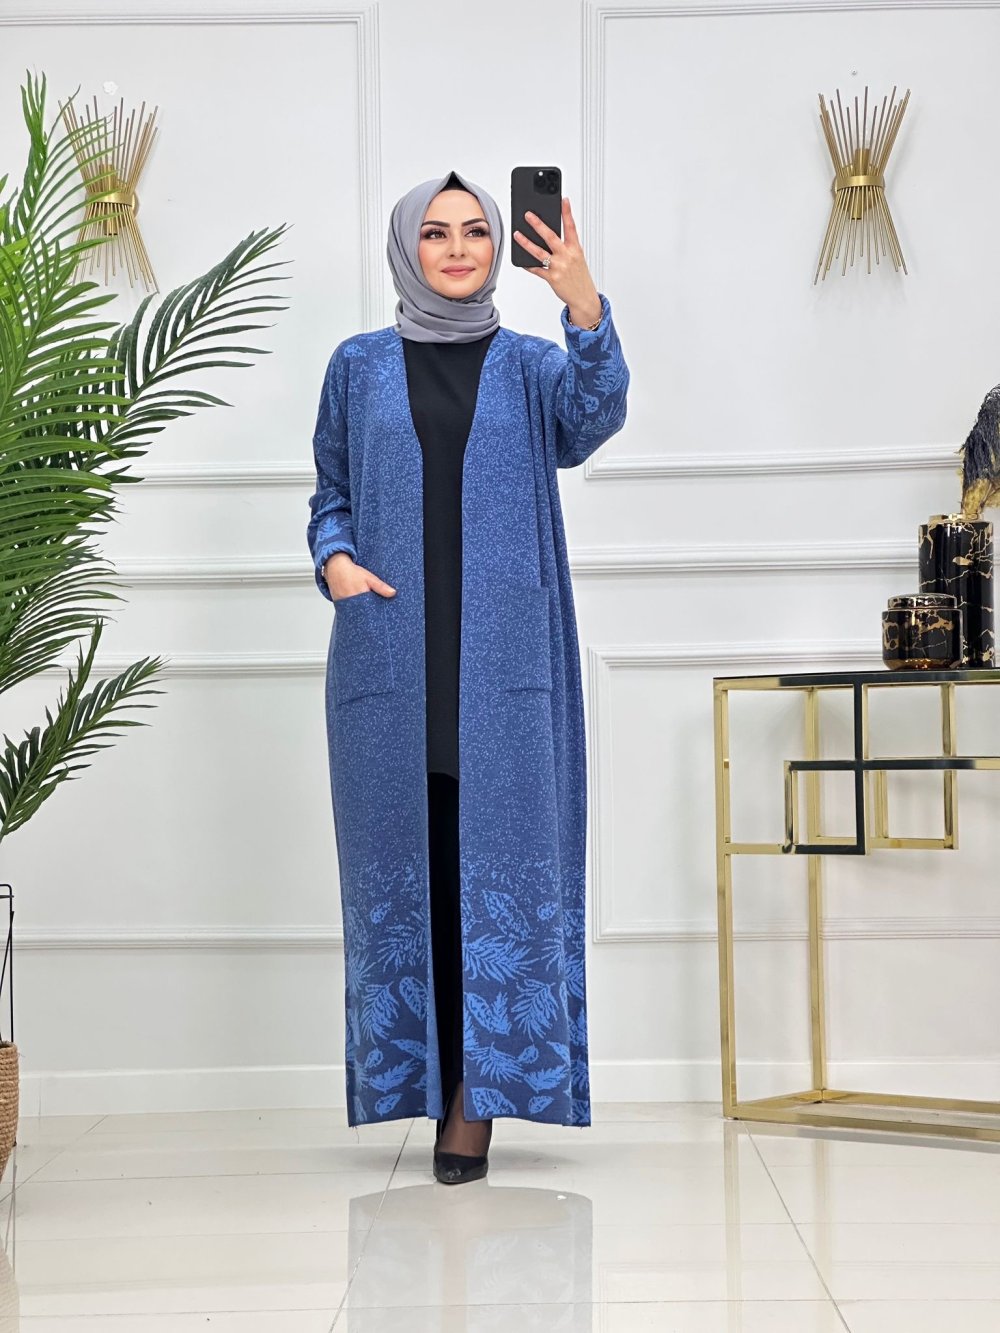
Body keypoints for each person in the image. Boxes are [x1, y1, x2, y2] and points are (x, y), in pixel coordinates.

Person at [306, 168, 629, 1185]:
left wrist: (581, 302)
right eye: (436, 232)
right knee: (417, 869)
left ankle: (472, 1105)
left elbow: (594, 418)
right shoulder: (357, 365)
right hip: (390, 661)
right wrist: (334, 561)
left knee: (493, 867)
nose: (456, 249)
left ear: (498, 250)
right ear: (407, 247)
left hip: (503, 667)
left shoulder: (531, 366)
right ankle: (425, 1077)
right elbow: (330, 493)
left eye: (476, 232)